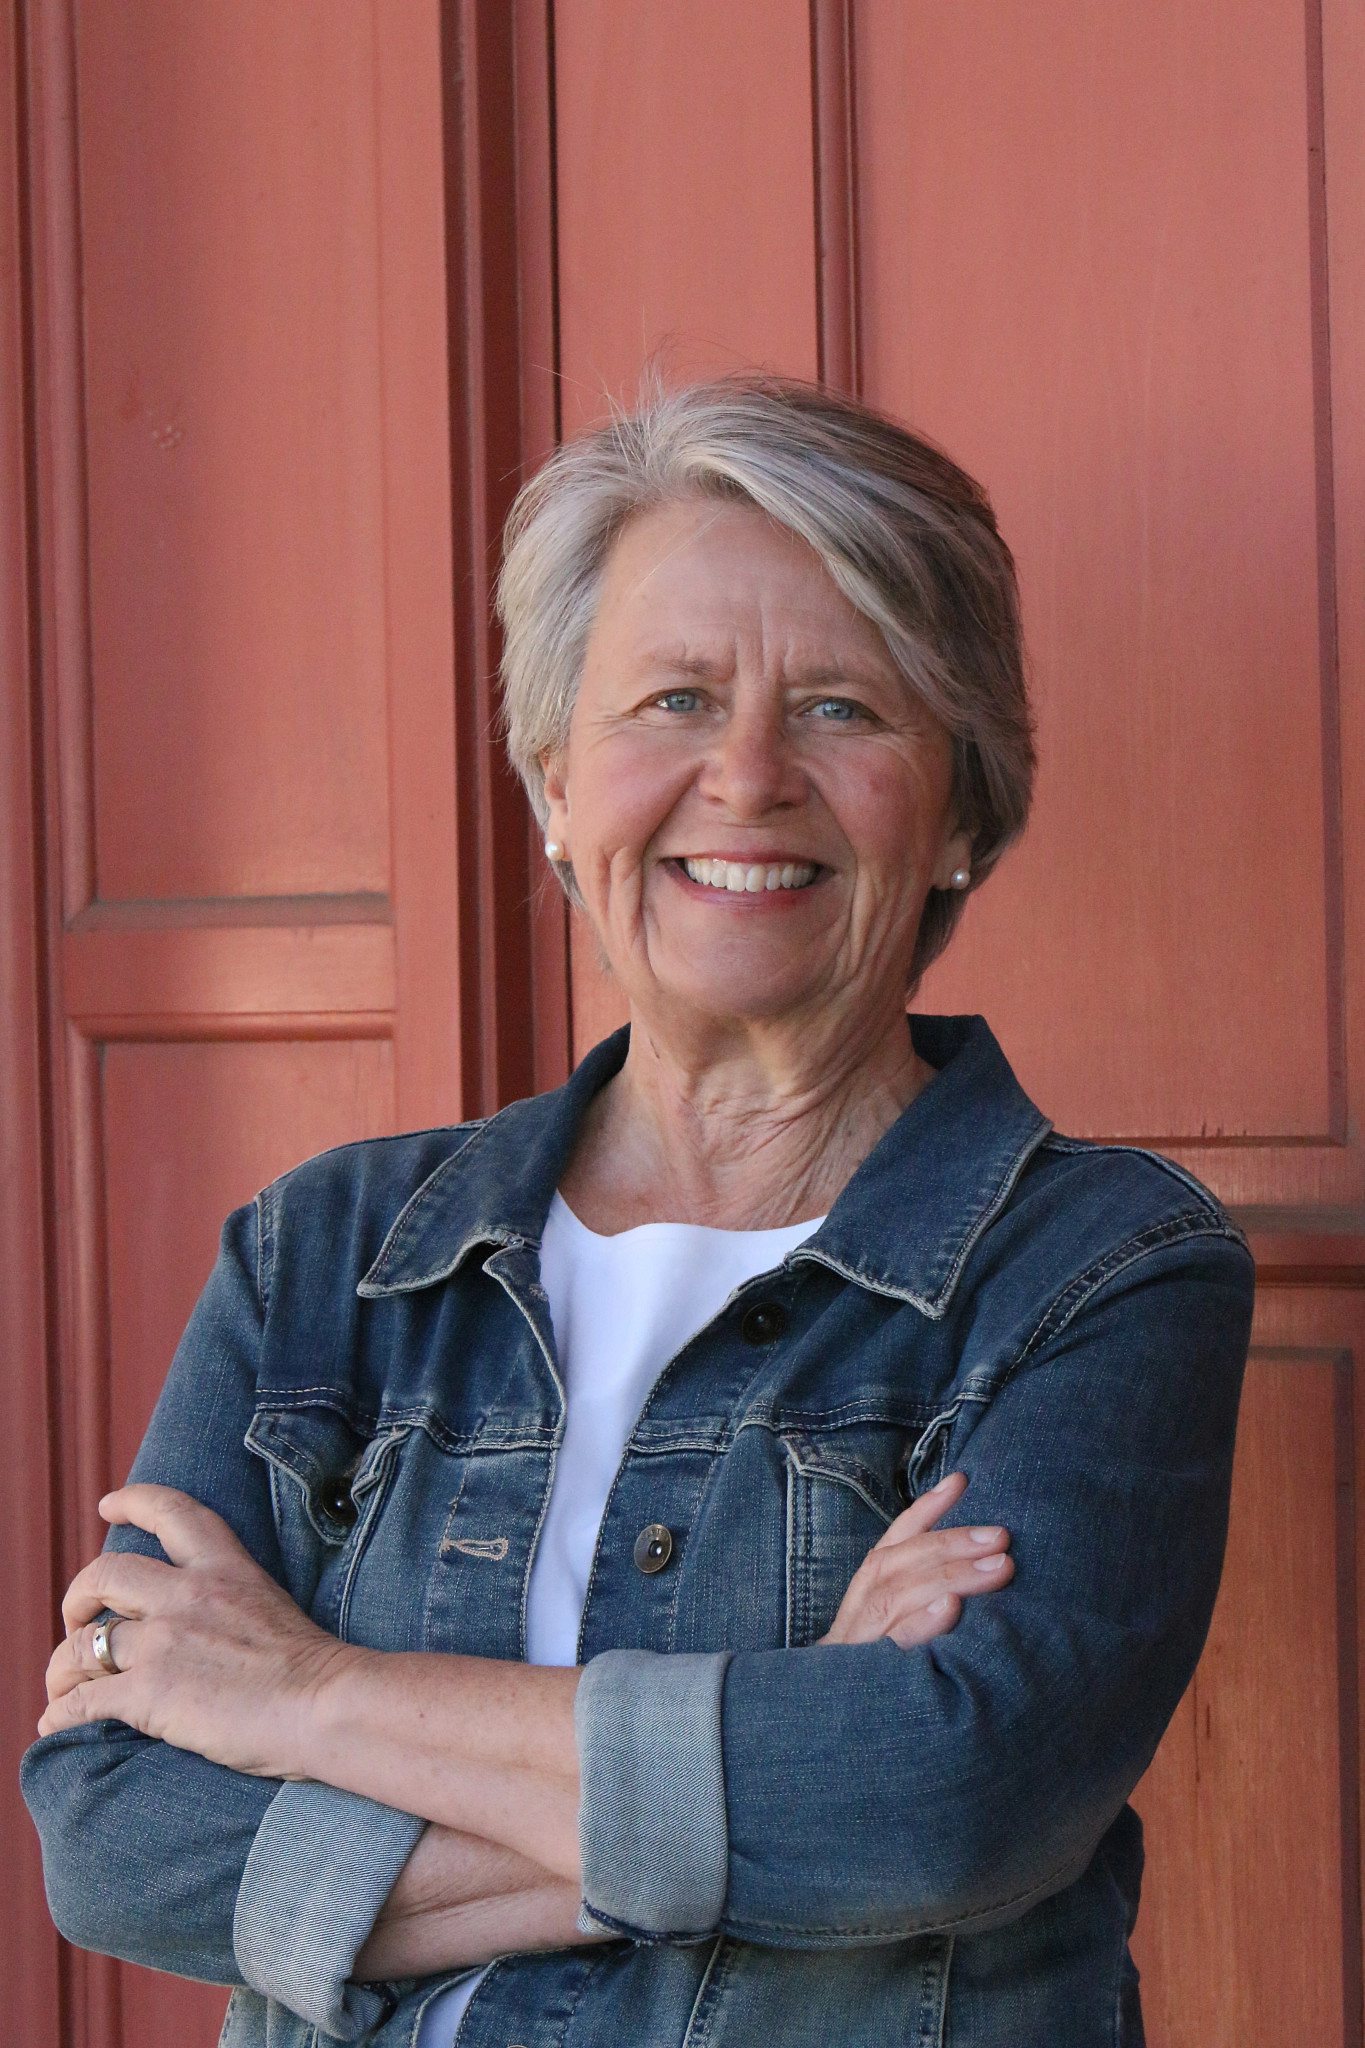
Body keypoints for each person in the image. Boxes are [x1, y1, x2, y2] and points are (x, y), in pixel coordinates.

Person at [23, 378, 1254, 2048]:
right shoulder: (324, 1253)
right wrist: (774, 1751)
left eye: (840, 709)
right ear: (550, 784)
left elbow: (939, 1801)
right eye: (670, 699)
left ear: (961, 806)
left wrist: (309, 1699)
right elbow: (115, 1844)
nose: (744, 778)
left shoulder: (1098, 1270)